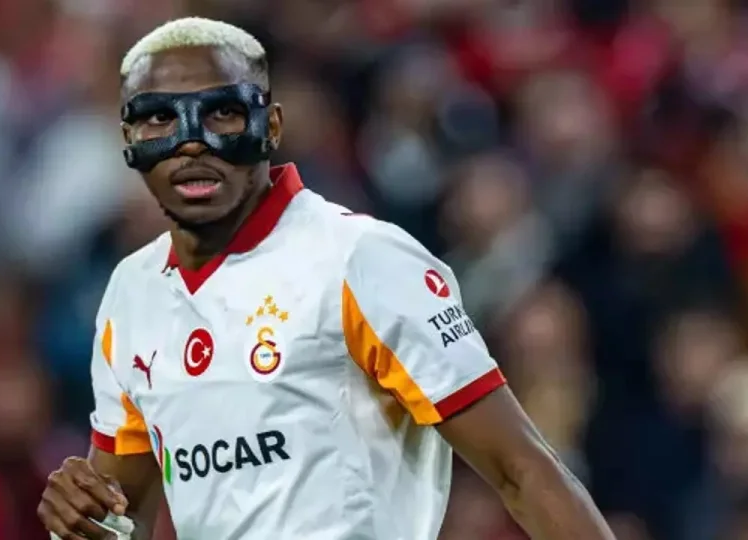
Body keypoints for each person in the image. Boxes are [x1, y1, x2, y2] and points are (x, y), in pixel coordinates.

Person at [37, 17, 615, 540]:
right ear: (129, 141)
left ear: (271, 125)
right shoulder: (132, 292)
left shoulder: (361, 259)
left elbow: (521, 468)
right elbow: (120, 520)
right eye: (160, 118)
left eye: (221, 113)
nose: (191, 141)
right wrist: (81, 517)